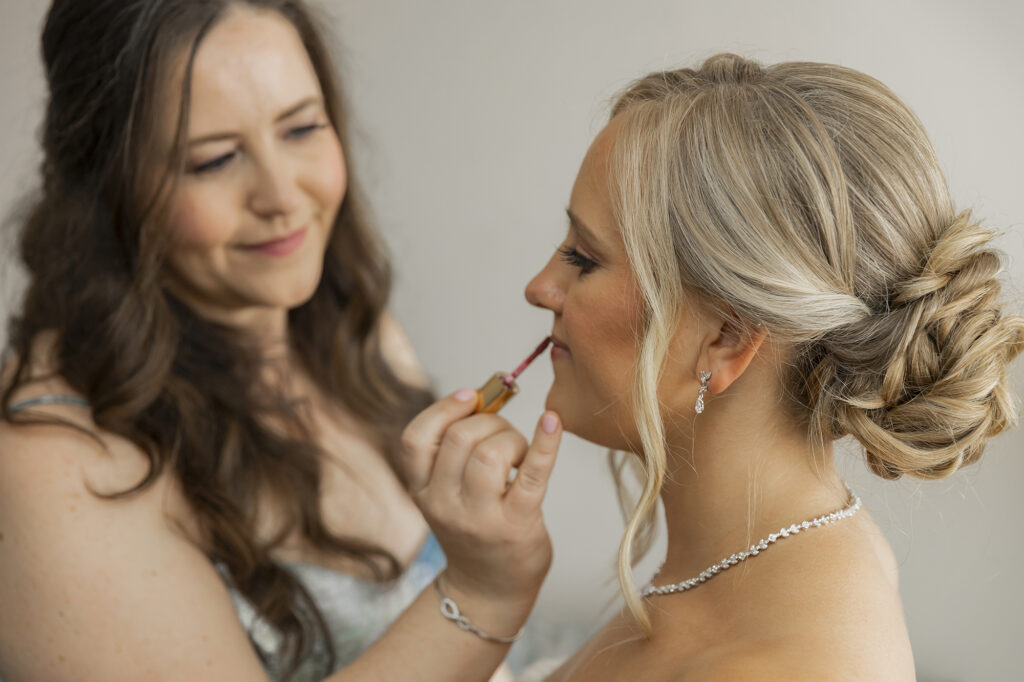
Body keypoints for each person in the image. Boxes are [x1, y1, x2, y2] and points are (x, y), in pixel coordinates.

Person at [409, 53, 1024, 681]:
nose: (539, 288)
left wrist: (477, 596)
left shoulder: (777, 667)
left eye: (584, 258)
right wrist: (483, 587)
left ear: (726, 338)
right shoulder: (747, 568)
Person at [0, 1, 563, 681]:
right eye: (213, 161)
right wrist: (481, 594)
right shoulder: (52, 462)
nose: (282, 195)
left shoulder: (356, 339)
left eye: (301, 128)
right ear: (107, 183)